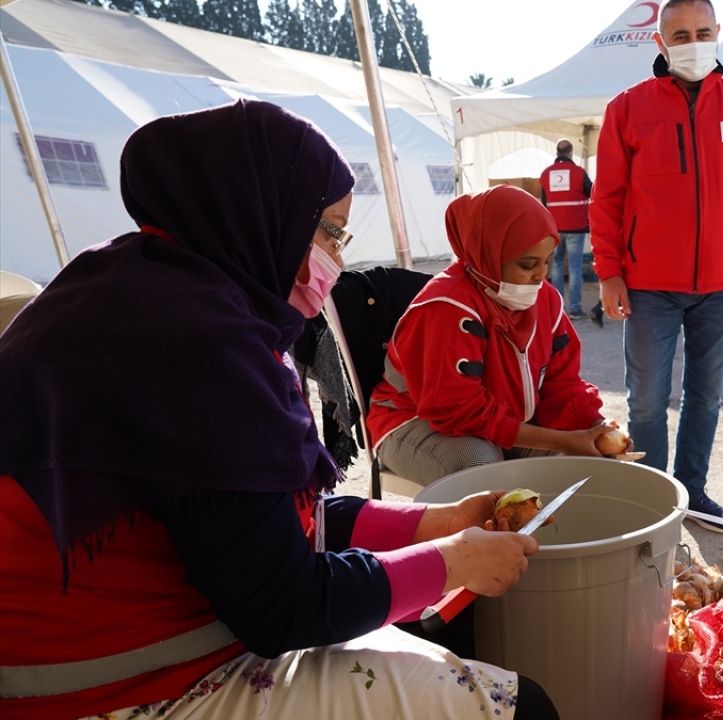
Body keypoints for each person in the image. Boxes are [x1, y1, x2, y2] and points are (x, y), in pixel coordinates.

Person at [0, 100, 558, 719]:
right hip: (102, 686)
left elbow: (271, 518)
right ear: (261, 212)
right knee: (518, 706)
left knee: (424, 628)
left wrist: (438, 522)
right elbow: (284, 606)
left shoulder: (139, 285)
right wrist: (455, 561)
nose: (337, 258)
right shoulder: (197, 346)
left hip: (124, 634)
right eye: (328, 230)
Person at [591, 0, 723, 532]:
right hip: (649, 285)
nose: (693, 42)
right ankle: (652, 499)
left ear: (718, 33)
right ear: (659, 42)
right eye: (679, 35)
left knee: (705, 398)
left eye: (702, 31)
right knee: (648, 402)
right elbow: (606, 198)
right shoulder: (627, 109)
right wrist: (608, 270)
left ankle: (693, 491)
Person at [368, 186, 614, 487]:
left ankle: (550, 535)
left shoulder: (546, 301)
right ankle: (483, 535)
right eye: (527, 264)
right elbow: (454, 411)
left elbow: (561, 383)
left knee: (582, 466)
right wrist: (559, 440)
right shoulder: (446, 307)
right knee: (482, 468)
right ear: (489, 253)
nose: (541, 275)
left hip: (501, 421)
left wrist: (593, 425)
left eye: (548, 261)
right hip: (412, 421)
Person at [539, 139, 592, 320]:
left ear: (557, 152)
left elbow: (543, 203)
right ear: (570, 153)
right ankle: (576, 309)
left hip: (554, 227)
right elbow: (592, 192)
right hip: (576, 226)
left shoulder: (546, 174)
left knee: (556, 266)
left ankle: (558, 309)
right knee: (575, 268)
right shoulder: (579, 172)